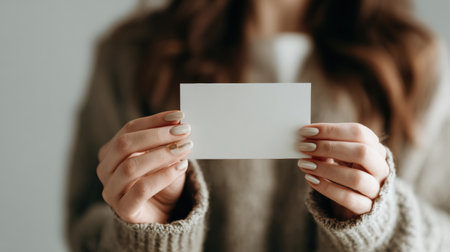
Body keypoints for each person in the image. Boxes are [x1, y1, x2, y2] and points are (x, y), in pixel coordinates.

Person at [66, 0, 450, 251]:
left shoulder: (417, 61)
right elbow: (84, 226)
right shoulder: (132, 54)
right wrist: (147, 231)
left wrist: (379, 224)